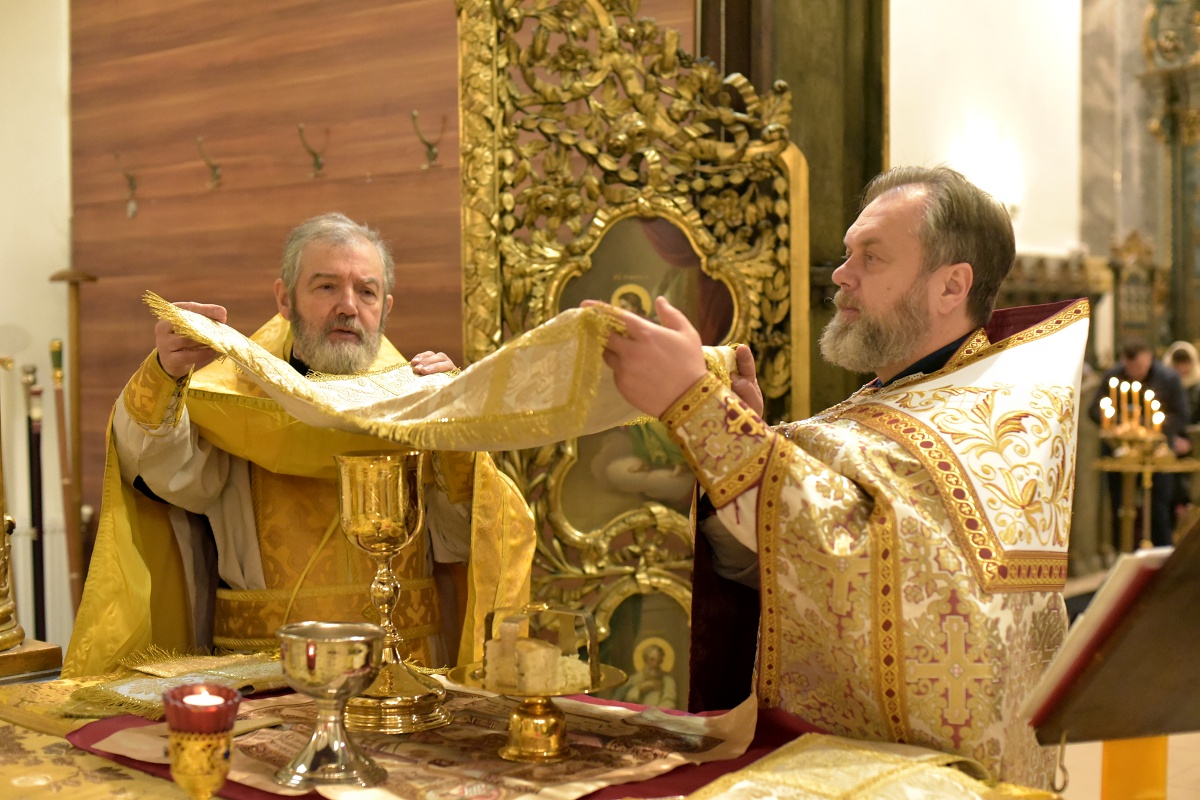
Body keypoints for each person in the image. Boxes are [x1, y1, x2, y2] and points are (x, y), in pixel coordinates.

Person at [591, 166, 1088, 788]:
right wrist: (745, 446)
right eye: (848, 253)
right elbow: (797, 571)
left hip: (932, 778)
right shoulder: (889, 403)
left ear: (951, 285)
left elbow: (897, 577)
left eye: (871, 257)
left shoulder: (992, 419)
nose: (840, 275)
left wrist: (701, 412)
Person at [64, 213, 534, 677]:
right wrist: (166, 372)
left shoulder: (417, 403)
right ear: (284, 299)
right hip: (265, 670)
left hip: (402, 668)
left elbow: (463, 538)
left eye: (366, 291)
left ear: (385, 307)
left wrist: (455, 426)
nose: (348, 306)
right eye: (326, 286)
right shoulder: (236, 398)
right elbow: (167, 474)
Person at [1089, 339, 1191, 548]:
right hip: (1120, 452)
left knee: (1158, 509)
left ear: (1149, 358)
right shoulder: (1113, 377)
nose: (1136, 372)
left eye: (1140, 367)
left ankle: (1160, 556)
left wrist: (1151, 426)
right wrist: (1122, 422)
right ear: (1124, 361)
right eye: (1131, 367)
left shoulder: (1168, 378)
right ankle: (1123, 554)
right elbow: (1094, 410)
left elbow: (1181, 414)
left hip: (1157, 453)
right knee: (1121, 508)